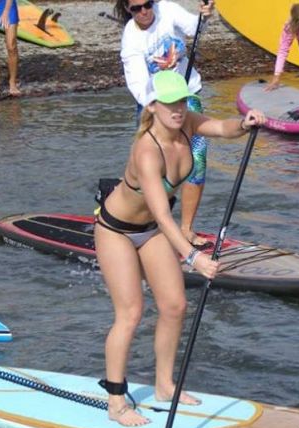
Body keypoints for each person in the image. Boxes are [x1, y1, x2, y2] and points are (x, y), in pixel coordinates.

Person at [94, 71, 266, 427]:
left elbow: (221, 128)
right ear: (152, 105)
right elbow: (162, 212)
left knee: (175, 305)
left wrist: (245, 124)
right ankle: (116, 402)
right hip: (117, 231)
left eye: (182, 100)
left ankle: (164, 385)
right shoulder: (146, 151)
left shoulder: (187, 123)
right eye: (169, 102)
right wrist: (193, 257)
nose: (177, 108)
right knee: (130, 313)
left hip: (151, 230)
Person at [117, 0, 214, 249]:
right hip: (153, 104)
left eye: (147, 5)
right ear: (128, 10)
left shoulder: (167, 10)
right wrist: (161, 108)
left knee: (197, 160)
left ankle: (186, 229)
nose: (144, 12)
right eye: (136, 9)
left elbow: (195, 27)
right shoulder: (131, 39)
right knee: (152, 168)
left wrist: (204, 15)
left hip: (186, 95)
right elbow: (139, 87)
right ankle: (140, 222)